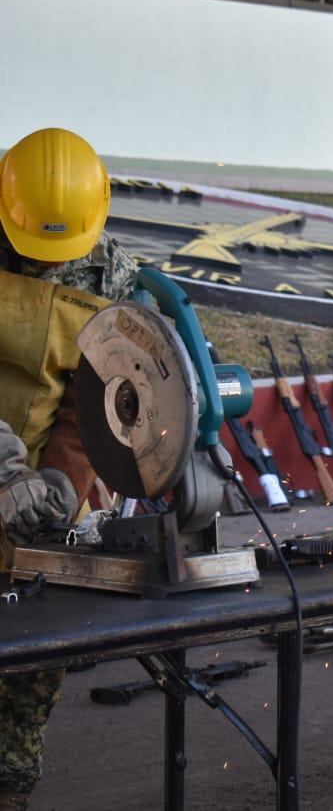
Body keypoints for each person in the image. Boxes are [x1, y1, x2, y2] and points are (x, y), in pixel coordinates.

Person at [0, 127, 139, 811]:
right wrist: (5, 474)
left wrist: (58, 493)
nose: (51, 268)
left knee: (27, 669)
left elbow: (97, 403)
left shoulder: (115, 279)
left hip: (41, 497)